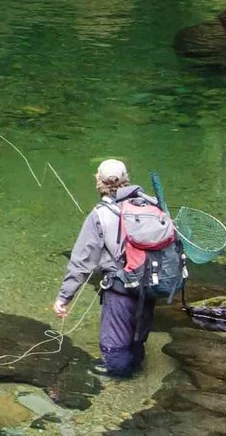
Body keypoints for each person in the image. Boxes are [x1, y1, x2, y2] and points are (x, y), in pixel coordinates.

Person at [53, 159, 166, 378]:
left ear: (100, 182)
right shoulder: (150, 205)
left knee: (114, 341)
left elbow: (81, 262)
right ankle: (136, 362)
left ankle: (117, 371)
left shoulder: (100, 215)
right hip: (151, 284)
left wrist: (64, 297)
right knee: (138, 331)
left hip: (120, 287)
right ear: (127, 179)